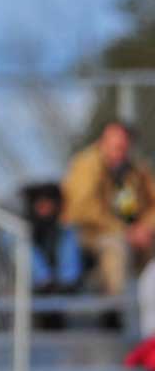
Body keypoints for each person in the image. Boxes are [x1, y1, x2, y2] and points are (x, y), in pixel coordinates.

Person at [62, 122, 155, 296]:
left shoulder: (134, 169)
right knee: (116, 248)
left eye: (125, 148)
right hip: (88, 233)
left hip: (130, 232)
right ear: (102, 143)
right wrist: (125, 230)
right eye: (116, 147)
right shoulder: (86, 165)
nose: (120, 153)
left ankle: (146, 307)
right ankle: (115, 306)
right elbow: (82, 210)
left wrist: (145, 227)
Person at [21, 183, 85, 294]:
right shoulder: (21, 226)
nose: (45, 207)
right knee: (18, 240)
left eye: (48, 202)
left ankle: (68, 282)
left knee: (69, 233)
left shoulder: (63, 228)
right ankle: (44, 280)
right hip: (37, 280)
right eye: (41, 203)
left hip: (62, 280)